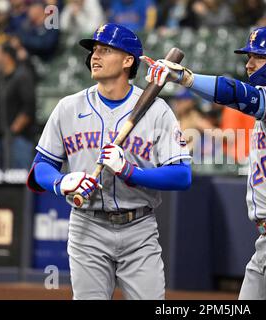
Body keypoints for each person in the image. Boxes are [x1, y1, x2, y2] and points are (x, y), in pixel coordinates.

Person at [141, 26, 266, 300]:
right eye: (249, 56)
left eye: (258, 57)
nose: (249, 63)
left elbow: (237, 94)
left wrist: (185, 78)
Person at [26, 23, 192, 300]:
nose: (95, 56)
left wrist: (130, 171)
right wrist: (61, 181)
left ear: (128, 61)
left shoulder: (156, 110)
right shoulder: (68, 107)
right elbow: (40, 167)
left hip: (139, 228)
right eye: (94, 50)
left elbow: (182, 176)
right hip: (87, 226)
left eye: (105, 50)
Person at [0, 41, 36, 169]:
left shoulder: (22, 76)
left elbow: (29, 108)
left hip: (18, 139)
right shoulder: (1, 77)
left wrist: (13, 131)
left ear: (6, 56)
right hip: (0, 137)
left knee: (20, 179)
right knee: (2, 184)